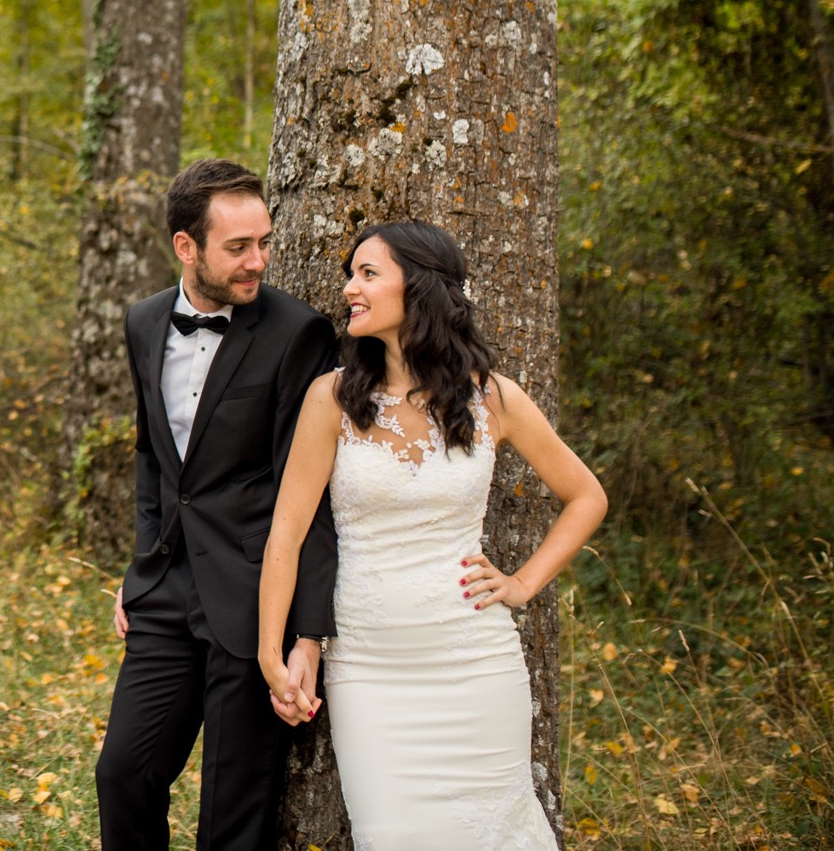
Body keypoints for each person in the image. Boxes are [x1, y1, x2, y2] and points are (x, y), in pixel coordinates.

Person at [257, 222, 607, 850]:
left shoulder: (491, 398)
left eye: (368, 274)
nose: (349, 290)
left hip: (475, 662)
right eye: (351, 274)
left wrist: (523, 583)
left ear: (418, 288)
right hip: (368, 669)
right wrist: (270, 654)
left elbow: (587, 497)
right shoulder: (331, 398)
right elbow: (286, 533)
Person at [95, 159, 339, 851]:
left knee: (231, 818)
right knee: (122, 773)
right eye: (238, 246)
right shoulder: (142, 322)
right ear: (186, 246)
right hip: (165, 594)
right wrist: (139, 562)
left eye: (263, 241)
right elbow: (154, 460)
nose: (257, 259)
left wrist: (308, 635)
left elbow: (312, 493)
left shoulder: (298, 332)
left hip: (256, 596)